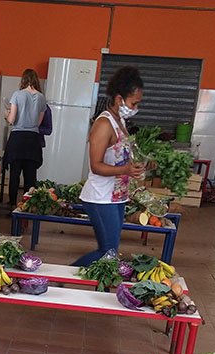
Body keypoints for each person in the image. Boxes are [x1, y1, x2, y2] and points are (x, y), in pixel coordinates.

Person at [71, 67, 146, 266]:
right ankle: (62, 278)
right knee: (108, 252)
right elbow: (96, 166)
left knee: (111, 251)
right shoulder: (104, 124)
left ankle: (98, 289)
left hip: (116, 197)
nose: (136, 107)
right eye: (134, 103)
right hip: (100, 197)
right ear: (120, 99)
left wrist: (137, 166)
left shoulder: (119, 120)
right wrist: (125, 170)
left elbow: (119, 156)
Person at [4, 69, 47, 211]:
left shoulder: (17, 95)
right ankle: (28, 206)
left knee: (15, 174)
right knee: (30, 176)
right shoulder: (41, 97)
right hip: (33, 140)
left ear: (23, 80)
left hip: (18, 138)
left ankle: (12, 205)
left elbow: (11, 120)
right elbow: (39, 122)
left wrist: (7, 114)